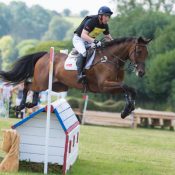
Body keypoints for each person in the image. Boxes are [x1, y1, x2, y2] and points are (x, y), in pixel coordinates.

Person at [73, 6, 113, 83]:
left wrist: (115, 44)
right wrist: (95, 41)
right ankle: (79, 75)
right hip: (79, 39)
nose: (107, 18)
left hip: (89, 41)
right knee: (84, 53)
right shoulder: (92, 21)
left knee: (99, 51)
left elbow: (108, 37)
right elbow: (83, 35)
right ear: (100, 16)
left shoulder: (105, 25)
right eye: (106, 16)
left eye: (108, 16)